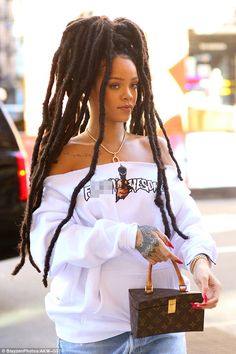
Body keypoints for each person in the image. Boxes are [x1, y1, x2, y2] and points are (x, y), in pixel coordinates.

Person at [13, 15, 221, 354]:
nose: (129, 95)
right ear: (88, 86)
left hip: (162, 321)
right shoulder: (63, 158)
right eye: (115, 85)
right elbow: (48, 243)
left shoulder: (155, 151)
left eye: (134, 85)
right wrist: (129, 236)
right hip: (92, 333)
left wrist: (200, 262)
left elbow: (186, 223)